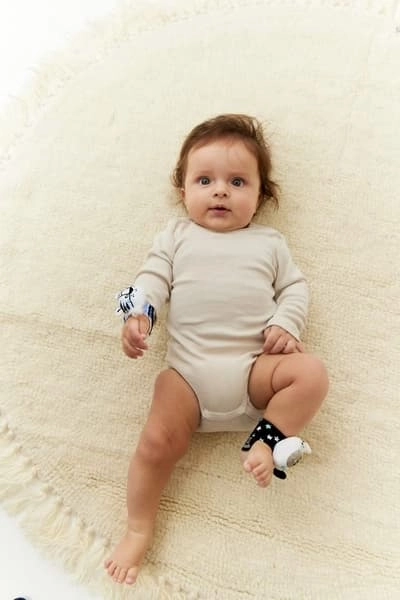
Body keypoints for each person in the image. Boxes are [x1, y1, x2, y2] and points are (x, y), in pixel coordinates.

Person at [104, 114, 329, 585]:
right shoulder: (176, 237)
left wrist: (285, 324)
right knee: (155, 442)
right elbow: (150, 279)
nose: (220, 191)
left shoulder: (270, 243)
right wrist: (137, 316)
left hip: (254, 371)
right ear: (183, 190)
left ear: (261, 196)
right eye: (204, 181)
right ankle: (138, 527)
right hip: (188, 377)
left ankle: (268, 439)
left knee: (311, 374)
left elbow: (295, 288)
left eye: (237, 182)